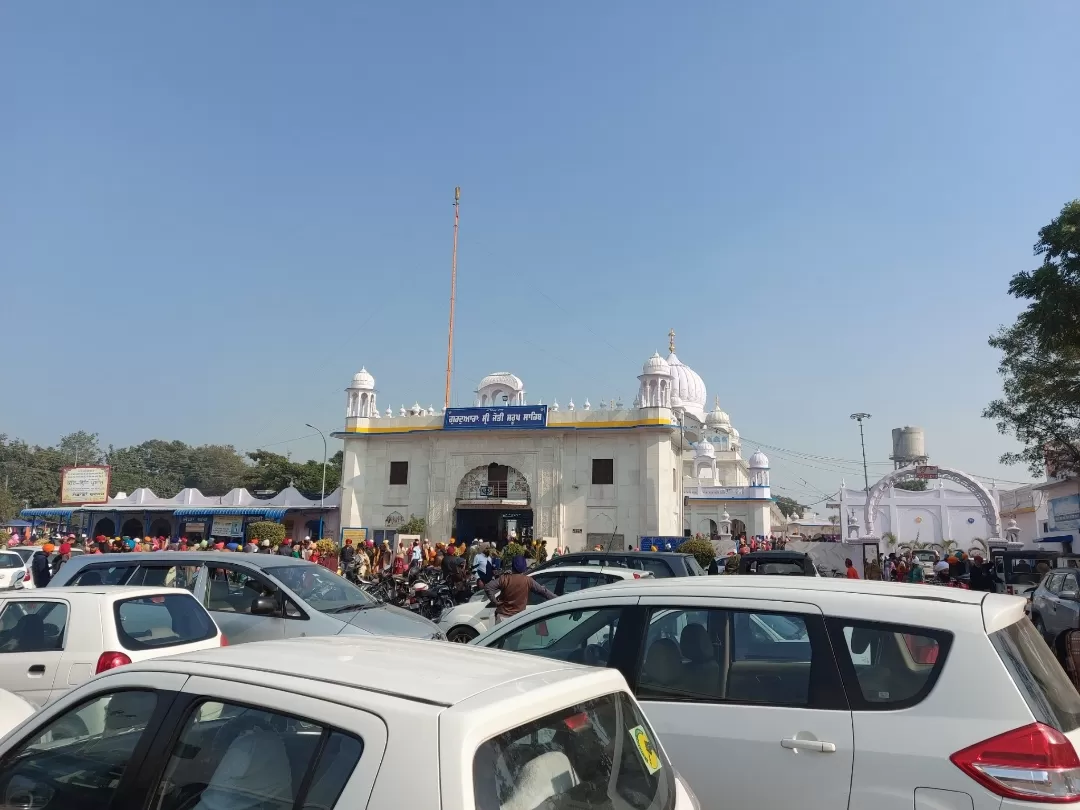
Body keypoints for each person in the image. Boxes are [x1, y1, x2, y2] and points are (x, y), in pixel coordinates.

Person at [484, 555, 556, 623]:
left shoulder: (505, 578)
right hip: (518, 619)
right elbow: (543, 591)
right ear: (524, 567)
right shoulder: (528, 580)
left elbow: (488, 587)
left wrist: (495, 602)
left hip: (502, 618)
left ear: (512, 566)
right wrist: (558, 599)